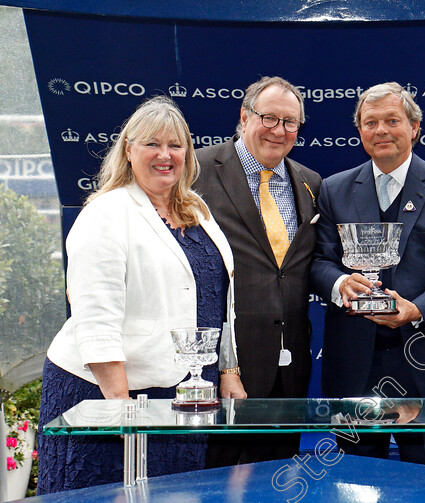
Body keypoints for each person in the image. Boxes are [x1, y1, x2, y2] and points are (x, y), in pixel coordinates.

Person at [36, 96, 245, 494]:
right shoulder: (106, 213)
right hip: (104, 394)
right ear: (128, 150)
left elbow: (220, 302)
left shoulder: (196, 208)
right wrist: (119, 405)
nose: (165, 155)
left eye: (175, 145)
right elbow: (95, 314)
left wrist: (227, 371)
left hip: (178, 397)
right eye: (152, 144)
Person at [310, 82, 425, 467]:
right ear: (360, 131)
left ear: (414, 127)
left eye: (392, 120)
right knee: (354, 480)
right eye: (370, 122)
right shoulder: (333, 190)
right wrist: (339, 283)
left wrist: (415, 309)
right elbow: (318, 262)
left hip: (424, 359)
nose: (381, 130)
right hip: (353, 363)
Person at [193, 76, 321, 465]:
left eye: (290, 122)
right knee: (218, 479)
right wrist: (220, 364)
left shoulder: (310, 182)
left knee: (279, 476)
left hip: (291, 365)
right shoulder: (195, 171)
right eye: (269, 118)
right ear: (244, 116)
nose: (279, 131)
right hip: (223, 364)